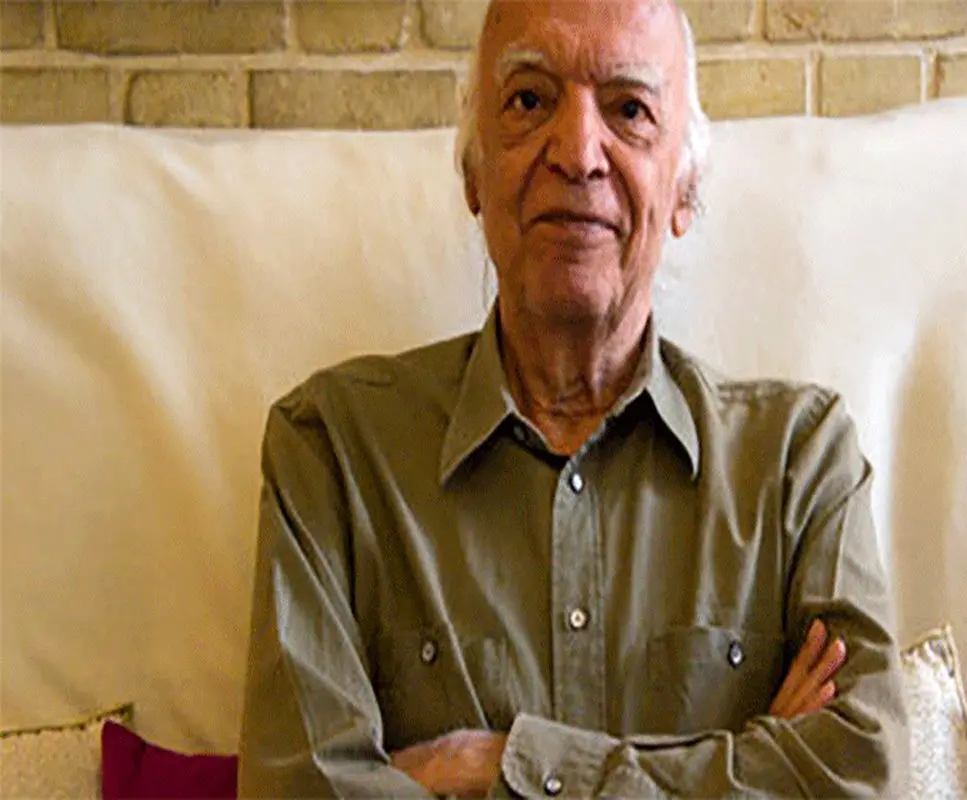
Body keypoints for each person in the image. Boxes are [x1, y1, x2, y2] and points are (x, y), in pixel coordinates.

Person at [237, 0, 907, 795]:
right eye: (529, 100)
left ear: (685, 188)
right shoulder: (334, 453)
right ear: (474, 174)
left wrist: (499, 764)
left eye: (629, 110)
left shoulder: (800, 465)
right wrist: (746, 764)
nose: (579, 153)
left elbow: (862, 778)